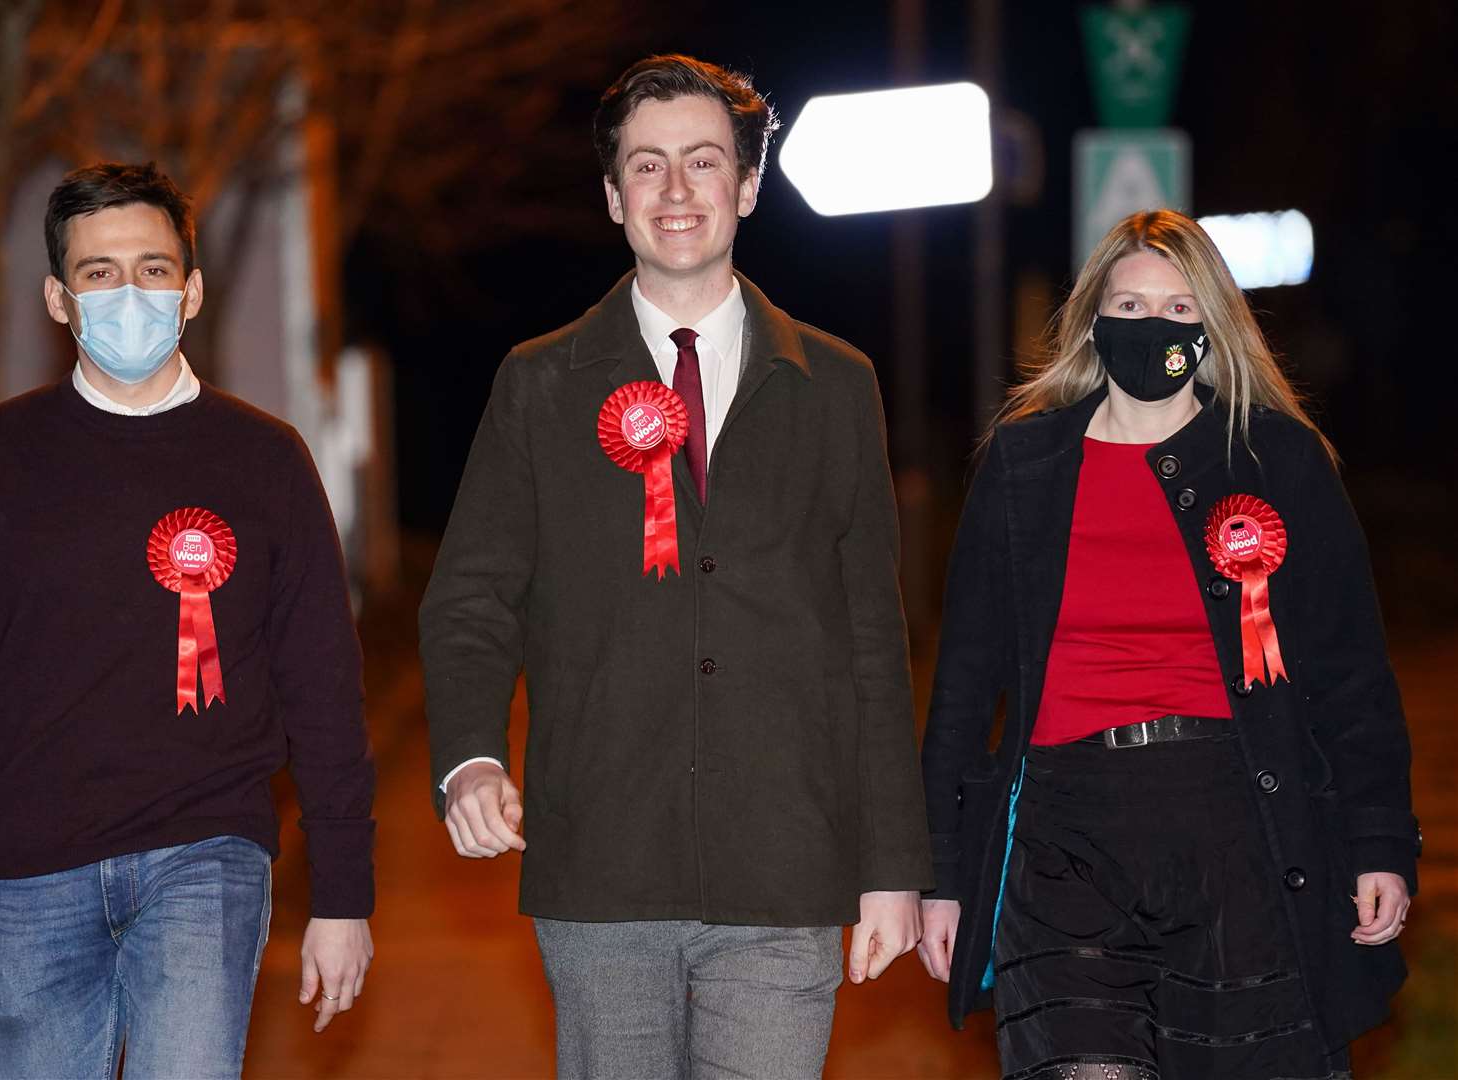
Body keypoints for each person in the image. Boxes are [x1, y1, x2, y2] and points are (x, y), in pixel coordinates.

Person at [420, 54, 931, 1079]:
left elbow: (871, 637)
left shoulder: (835, 385)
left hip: (787, 866)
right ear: (613, 197)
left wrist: (893, 869)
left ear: (747, 186)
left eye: (704, 162)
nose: (677, 190)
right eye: (647, 167)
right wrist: (470, 753)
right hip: (601, 862)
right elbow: (472, 597)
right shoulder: (539, 385)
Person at [0, 162, 376, 1078]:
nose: (128, 292)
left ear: (190, 290)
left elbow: (323, 686)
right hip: (30, 871)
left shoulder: (266, 459)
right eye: (99, 273)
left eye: (152, 269)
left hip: (208, 851)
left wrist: (343, 896)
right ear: (58, 300)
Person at [916, 208, 1418, 1080]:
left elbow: (1349, 677)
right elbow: (963, 684)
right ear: (1093, 318)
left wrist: (1381, 844)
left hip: (1238, 838)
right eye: (1133, 305)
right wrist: (942, 874)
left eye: (1182, 310)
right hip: (1059, 849)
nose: (1157, 328)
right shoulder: (1022, 463)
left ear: (1214, 324)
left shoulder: (1276, 460)